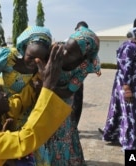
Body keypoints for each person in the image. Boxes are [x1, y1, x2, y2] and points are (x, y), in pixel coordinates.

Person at [0, 43, 73, 166]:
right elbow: (25, 140)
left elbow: (20, 100)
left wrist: (37, 81)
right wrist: (48, 86)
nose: (5, 94)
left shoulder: (1, 115)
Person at [35, 26, 101, 166]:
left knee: (61, 135)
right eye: (65, 46)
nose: (64, 53)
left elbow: (69, 91)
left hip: (62, 103)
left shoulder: (84, 66)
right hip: (43, 98)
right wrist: (45, 83)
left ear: (82, 56)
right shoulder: (55, 51)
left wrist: (47, 84)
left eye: (71, 53)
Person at [100, 15, 136, 150]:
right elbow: (124, 70)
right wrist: (126, 90)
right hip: (132, 92)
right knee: (133, 123)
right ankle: (133, 156)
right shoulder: (129, 47)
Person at [0, 25, 52, 97]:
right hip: (1, 101)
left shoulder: (42, 67)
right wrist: (0, 93)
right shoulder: (8, 56)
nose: (35, 62)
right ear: (24, 48)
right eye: (31, 57)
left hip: (23, 105)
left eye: (40, 59)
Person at [72, 21, 102, 128]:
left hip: (72, 74)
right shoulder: (92, 38)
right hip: (79, 75)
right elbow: (95, 54)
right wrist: (97, 67)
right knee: (77, 100)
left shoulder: (74, 37)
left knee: (71, 100)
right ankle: (74, 125)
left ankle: (71, 126)